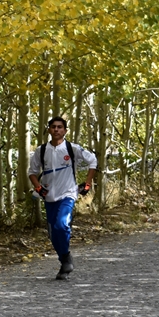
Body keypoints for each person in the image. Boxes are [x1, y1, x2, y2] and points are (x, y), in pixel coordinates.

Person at [28, 117, 97, 280]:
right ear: (49, 130)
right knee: (53, 234)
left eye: (60, 127)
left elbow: (93, 161)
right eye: (53, 127)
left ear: (65, 131)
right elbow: (32, 172)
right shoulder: (41, 150)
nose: (56, 129)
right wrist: (38, 188)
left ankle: (65, 260)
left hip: (68, 194)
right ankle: (64, 261)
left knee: (62, 224)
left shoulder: (72, 148)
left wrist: (87, 183)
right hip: (49, 196)